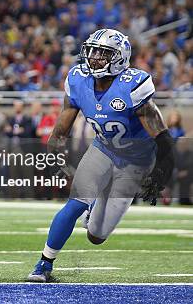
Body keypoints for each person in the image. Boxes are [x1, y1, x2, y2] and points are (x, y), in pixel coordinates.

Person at [28, 29, 175, 282]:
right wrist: (53, 158)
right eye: (93, 51)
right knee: (75, 202)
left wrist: (160, 175)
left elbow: (163, 138)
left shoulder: (132, 85)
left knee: (96, 236)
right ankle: (44, 263)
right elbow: (61, 129)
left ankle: (97, 207)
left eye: (103, 53)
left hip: (135, 163)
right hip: (103, 149)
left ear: (119, 58)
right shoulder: (78, 79)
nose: (94, 58)